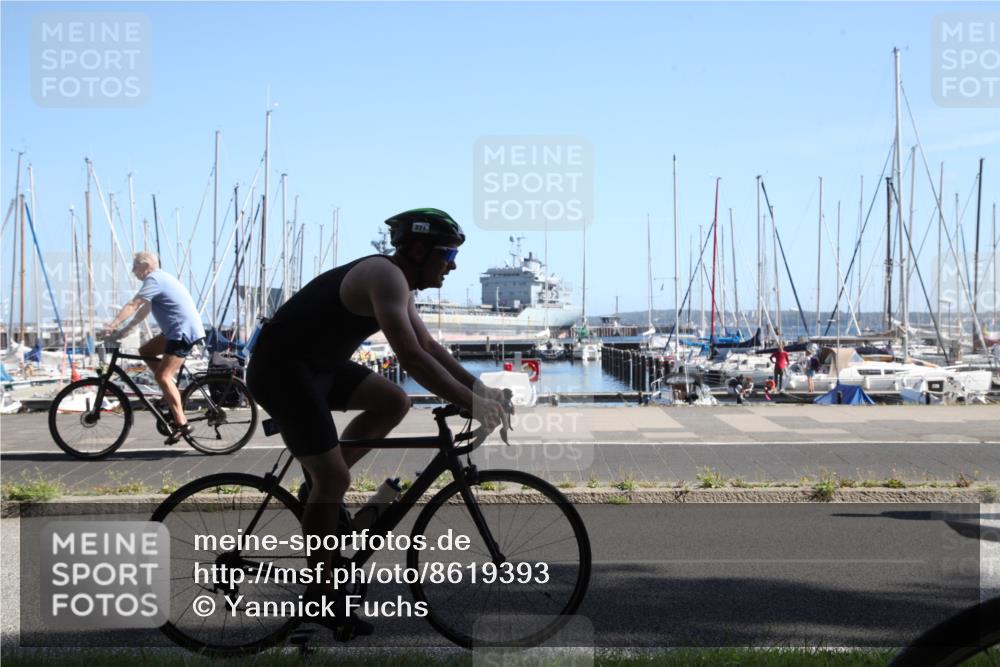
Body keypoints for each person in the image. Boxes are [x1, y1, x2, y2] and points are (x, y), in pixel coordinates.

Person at [246, 208, 507, 637]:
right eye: (447, 254)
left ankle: (319, 488)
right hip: (281, 371)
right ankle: (322, 592)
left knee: (393, 400)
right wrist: (469, 402)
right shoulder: (384, 276)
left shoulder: (399, 283)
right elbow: (410, 357)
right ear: (419, 250)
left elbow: (430, 347)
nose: (453, 264)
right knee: (334, 481)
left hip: (317, 367)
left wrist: (481, 392)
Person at [105, 252, 206, 443]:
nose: (133, 272)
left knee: (162, 376)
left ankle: (182, 423)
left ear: (145, 266)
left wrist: (112, 325)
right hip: (175, 331)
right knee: (145, 351)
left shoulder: (154, 279)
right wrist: (124, 330)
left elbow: (133, 304)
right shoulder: (158, 280)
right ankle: (174, 392)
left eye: (135, 267)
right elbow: (143, 310)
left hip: (181, 332)